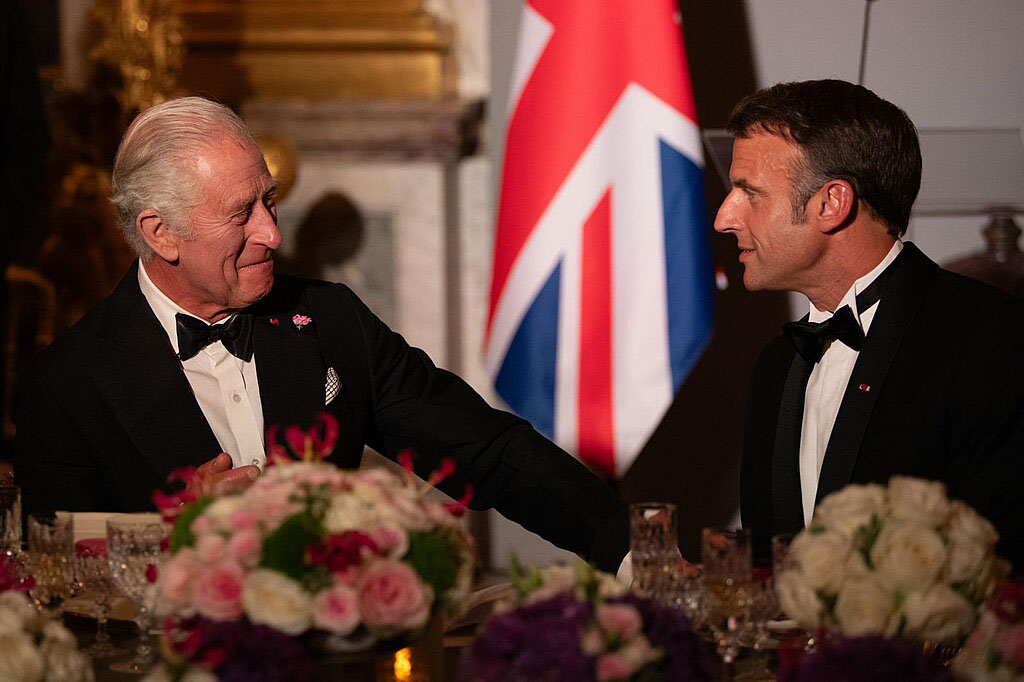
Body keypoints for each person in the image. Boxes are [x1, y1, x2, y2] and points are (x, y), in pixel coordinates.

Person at [13, 97, 629, 573]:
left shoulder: (331, 321)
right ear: (160, 233)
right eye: (241, 214)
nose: (273, 234)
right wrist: (166, 535)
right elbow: (55, 575)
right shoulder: (66, 385)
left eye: (269, 202)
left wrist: (630, 553)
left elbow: (487, 452)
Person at [714, 79, 1024, 565]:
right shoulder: (777, 365)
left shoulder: (990, 338)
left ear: (832, 203)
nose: (724, 218)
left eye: (748, 193)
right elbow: (768, 572)